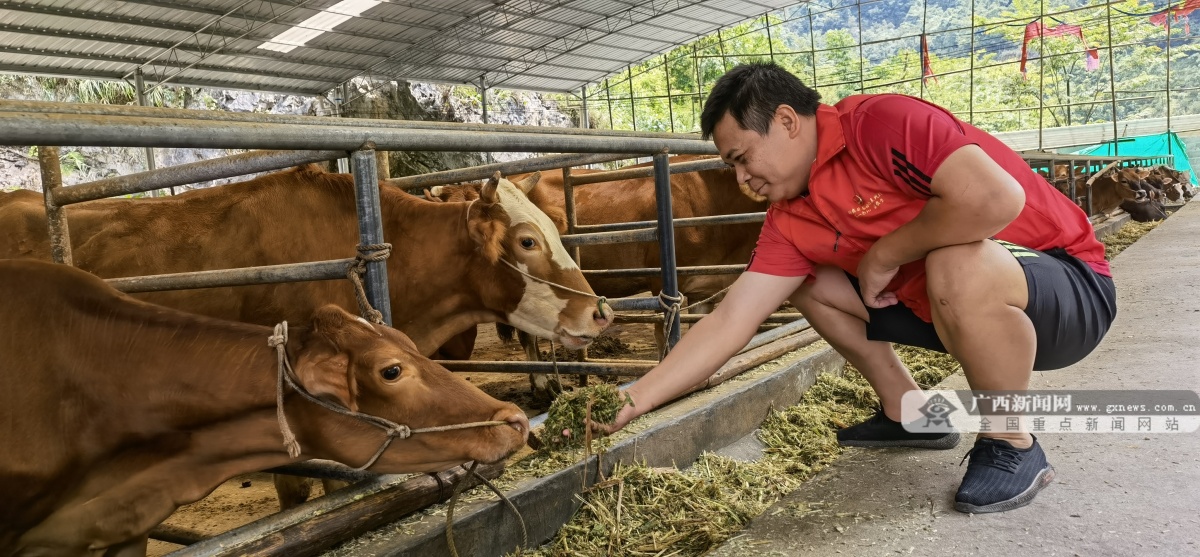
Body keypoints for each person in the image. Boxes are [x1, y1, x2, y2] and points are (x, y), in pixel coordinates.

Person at [594, 61, 1117, 514]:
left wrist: (886, 253)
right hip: (952, 311)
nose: (741, 179)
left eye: (742, 157)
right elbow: (732, 320)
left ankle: (1011, 440)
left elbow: (994, 200)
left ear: (785, 121)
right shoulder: (788, 218)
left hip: (1065, 286)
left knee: (957, 264)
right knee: (806, 283)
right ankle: (911, 413)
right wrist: (632, 400)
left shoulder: (880, 123)